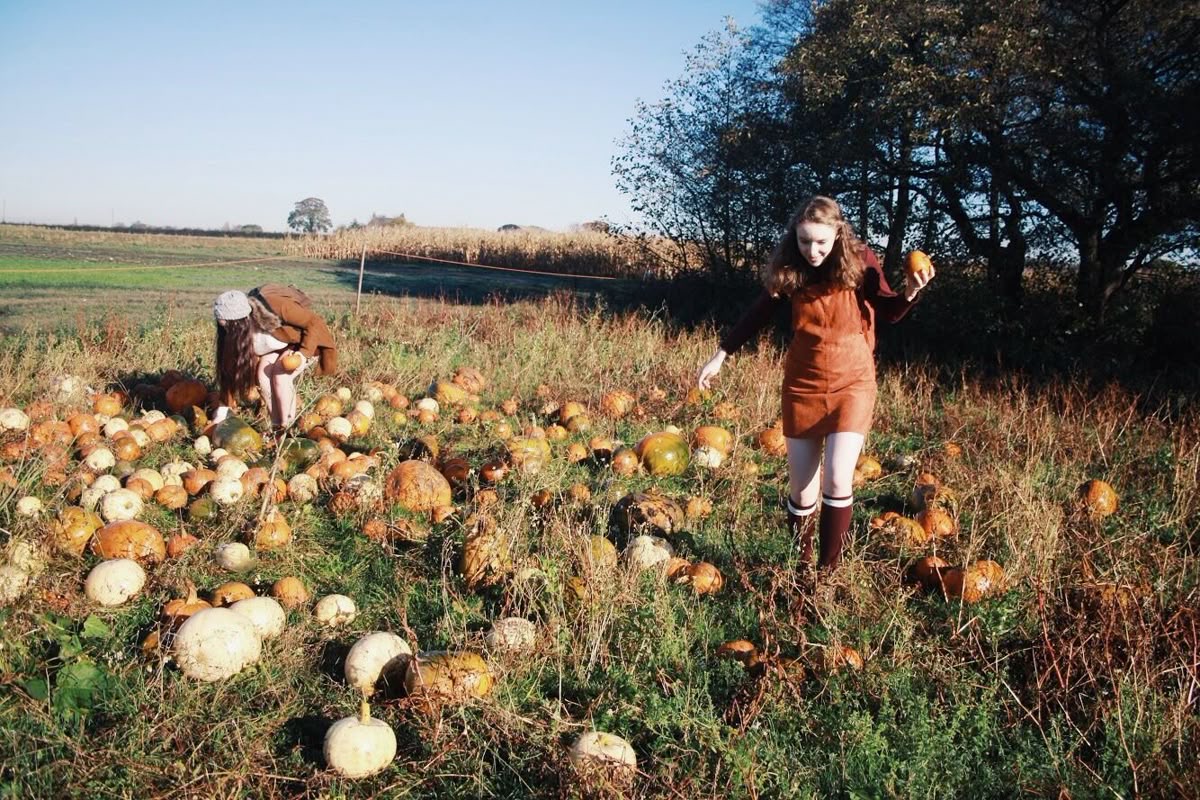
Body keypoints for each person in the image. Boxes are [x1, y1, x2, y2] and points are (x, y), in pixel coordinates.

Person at [696, 196, 934, 571]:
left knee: (838, 480)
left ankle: (828, 573)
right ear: (796, 237)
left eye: (821, 242)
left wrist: (910, 290)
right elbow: (759, 312)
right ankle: (802, 571)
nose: (813, 250)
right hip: (803, 384)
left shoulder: (860, 261)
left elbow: (889, 311)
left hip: (852, 382)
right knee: (801, 490)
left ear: (838, 234)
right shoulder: (791, 268)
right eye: (805, 241)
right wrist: (722, 353)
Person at [211, 284, 337, 431]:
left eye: (229, 327)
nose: (226, 332)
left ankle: (287, 428)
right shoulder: (234, 335)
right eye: (223, 327)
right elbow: (229, 371)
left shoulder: (275, 307)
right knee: (263, 376)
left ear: (241, 322)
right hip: (281, 345)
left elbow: (313, 322)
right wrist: (222, 410)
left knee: (280, 376)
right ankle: (277, 427)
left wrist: (303, 354)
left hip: (303, 341)